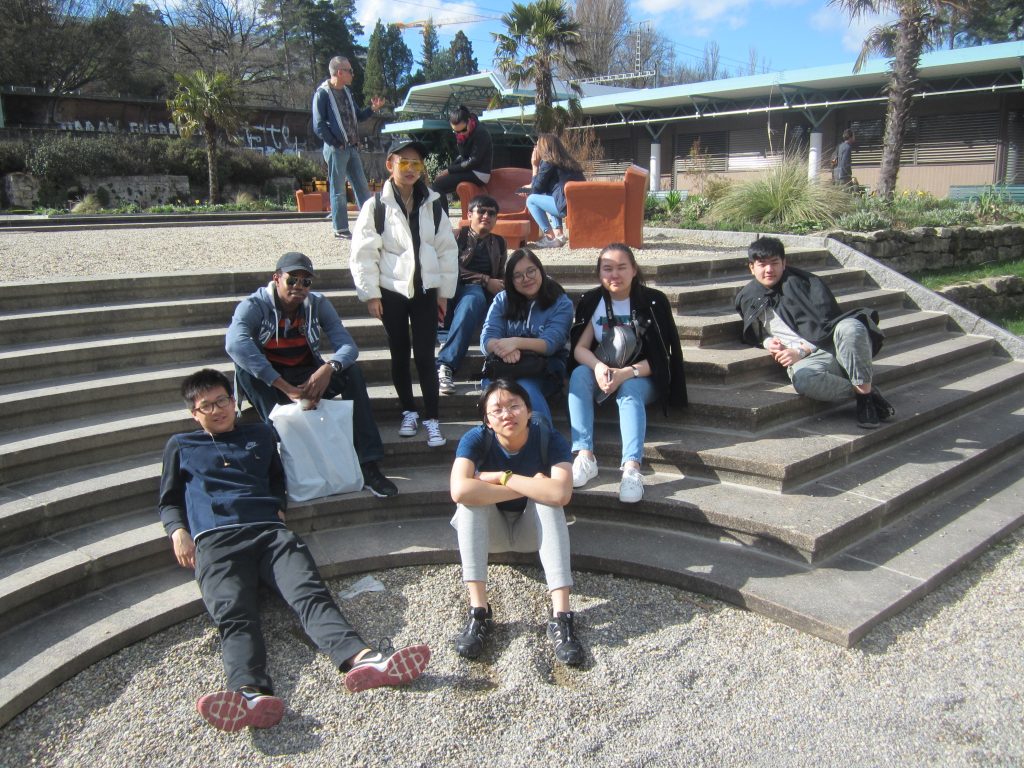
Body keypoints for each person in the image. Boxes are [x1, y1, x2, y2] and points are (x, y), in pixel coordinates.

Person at [159, 368, 430, 732]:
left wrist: (277, 503)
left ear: (232, 401)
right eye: (206, 406)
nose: (217, 409)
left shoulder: (257, 433)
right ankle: (248, 693)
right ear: (194, 413)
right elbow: (169, 499)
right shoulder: (181, 445)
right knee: (235, 615)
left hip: (271, 534)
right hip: (216, 539)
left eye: (222, 400)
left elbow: (275, 475)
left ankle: (364, 660)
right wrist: (178, 531)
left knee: (310, 595)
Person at [226, 252, 398, 498]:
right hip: (273, 382)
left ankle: (368, 463)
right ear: (277, 278)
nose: (299, 286)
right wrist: (286, 388)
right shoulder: (254, 305)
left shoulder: (317, 304)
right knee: (244, 370)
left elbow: (348, 346)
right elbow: (235, 344)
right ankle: (281, 452)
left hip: (307, 374)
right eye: (292, 280)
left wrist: (329, 368)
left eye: (306, 282)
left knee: (352, 372)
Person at [449, 379, 584, 666]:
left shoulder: (549, 437)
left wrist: (502, 476)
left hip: (532, 531)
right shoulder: (474, 439)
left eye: (514, 405)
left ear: (528, 409)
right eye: (497, 409)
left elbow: (561, 493)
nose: (507, 414)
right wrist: (531, 485)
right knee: (470, 503)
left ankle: (561, 617)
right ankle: (479, 611)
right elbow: (459, 490)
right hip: (492, 531)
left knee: (548, 501)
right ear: (486, 419)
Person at [350, 137, 459, 448]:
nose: (411, 169)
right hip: (392, 291)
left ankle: (433, 418)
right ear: (390, 165)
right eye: (404, 162)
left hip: (425, 290)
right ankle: (409, 411)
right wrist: (371, 293)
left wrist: (443, 293)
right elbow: (364, 253)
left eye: (416, 163)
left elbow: (446, 250)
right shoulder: (376, 207)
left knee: (426, 355)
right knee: (399, 353)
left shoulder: (434, 203)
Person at [567, 243, 687, 504]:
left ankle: (632, 467)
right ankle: (585, 455)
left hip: (642, 376)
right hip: (606, 370)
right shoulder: (592, 301)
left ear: (634, 270)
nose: (615, 274)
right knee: (578, 375)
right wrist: (598, 367)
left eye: (622, 267)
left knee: (630, 390)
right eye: (607, 269)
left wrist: (625, 374)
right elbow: (579, 349)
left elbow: (661, 359)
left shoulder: (653, 301)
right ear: (599, 273)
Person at [734, 236, 895, 429]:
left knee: (851, 327)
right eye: (762, 265)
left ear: (784, 263)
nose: (769, 270)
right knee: (804, 380)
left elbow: (830, 324)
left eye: (775, 263)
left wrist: (802, 350)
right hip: (809, 363)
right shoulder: (748, 296)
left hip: (832, 347)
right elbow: (755, 332)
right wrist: (769, 342)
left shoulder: (807, 284)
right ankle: (866, 393)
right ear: (752, 267)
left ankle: (864, 403)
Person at [479, 248, 573, 428]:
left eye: (531, 271)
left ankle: (544, 440)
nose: (526, 278)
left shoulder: (560, 303)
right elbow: (487, 339)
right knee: (500, 391)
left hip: (544, 368)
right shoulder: (502, 300)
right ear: (510, 280)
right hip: (504, 367)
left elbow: (550, 344)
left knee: (523, 387)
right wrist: (505, 351)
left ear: (540, 270)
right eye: (518, 275)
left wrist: (515, 343)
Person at [437, 194, 508, 395]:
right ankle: (446, 366)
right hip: (456, 289)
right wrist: (486, 280)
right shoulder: (457, 236)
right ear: (469, 214)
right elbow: (450, 268)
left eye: (492, 213)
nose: (486, 216)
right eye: (481, 211)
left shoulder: (500, 243)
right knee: (474, 296)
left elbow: (501, 272)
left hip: (484, 293)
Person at [312, 55, 384, 239]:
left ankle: (371, 226)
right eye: (349, 71)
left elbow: (357, 116)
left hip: (352, 147)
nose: (353, 74)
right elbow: (318, 124)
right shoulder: (322, 94)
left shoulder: (346, 92)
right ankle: (340, 228)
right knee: (338, 190)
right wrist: (335, 143)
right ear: (339, 72)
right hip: (337, 149)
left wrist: (372, 110)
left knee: (362, 187)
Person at [526, 133, 586, 248]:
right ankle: (559, 234)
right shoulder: (569, 162)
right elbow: (546, 187)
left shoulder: (548, 162)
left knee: (531, 200)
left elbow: (536, 190)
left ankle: (550, 238)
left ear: (543, 147)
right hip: (579, 205)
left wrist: (534, 166)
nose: (535, 148)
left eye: (537, 145)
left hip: (566, 208)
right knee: (550, 194)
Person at [430, 105, 493, 210]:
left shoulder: (481, 132)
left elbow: (474, 160)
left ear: (469, 121)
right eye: (456, 131)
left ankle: (443, 222)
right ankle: (442, 221)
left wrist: (449, 170)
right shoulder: (462, 135)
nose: (460, 133)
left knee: (437, 185)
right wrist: (447, 170)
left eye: (463, 130)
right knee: (437, 183)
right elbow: (463, 156)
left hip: (479, 173)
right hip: (470, 170)